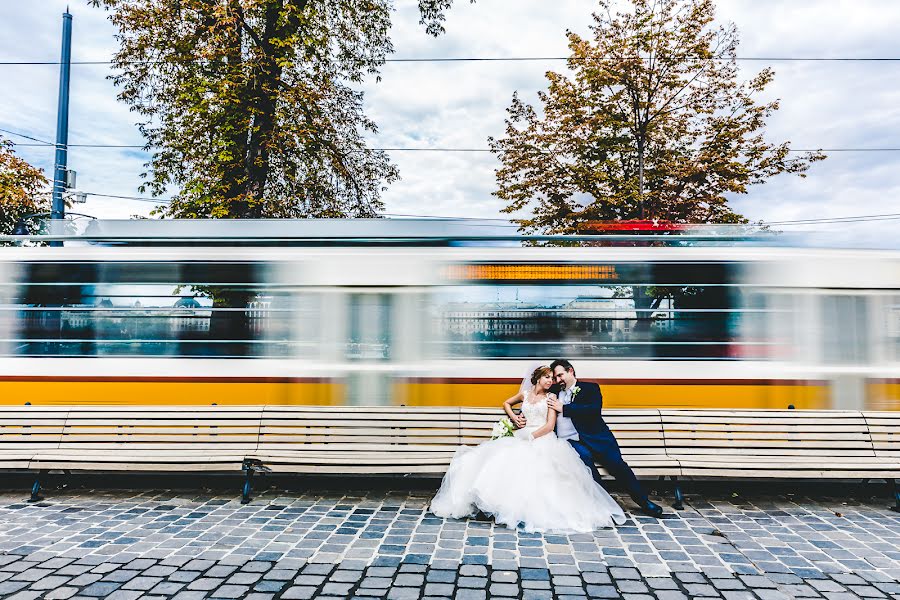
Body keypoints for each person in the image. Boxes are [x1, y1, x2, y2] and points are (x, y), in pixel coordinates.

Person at [429, 366, 626, 533]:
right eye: (547, 377)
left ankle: (524, 509)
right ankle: (492, 504)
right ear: (538, 378)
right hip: (524, 435)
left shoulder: (550, 398)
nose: (551, 381)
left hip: (542, 438)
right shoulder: (525, 395)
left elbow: (549, 426)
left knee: (532, 467)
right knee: (494, 460)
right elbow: (506, 403)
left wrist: (530, 437)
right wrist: (514, 418)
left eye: (553, 378)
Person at [548, 359, 664, 518]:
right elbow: (535, 396)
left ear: (571, 371)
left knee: (618, 465)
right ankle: (604, 505)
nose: (558, 380)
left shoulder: (590, 388)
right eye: (555, 377)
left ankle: (644, 502)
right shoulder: (553, 391)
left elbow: (594, 410)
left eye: (560, 375)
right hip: (570, 441)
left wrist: (564, 408)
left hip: (597, 438)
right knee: (587, 465)